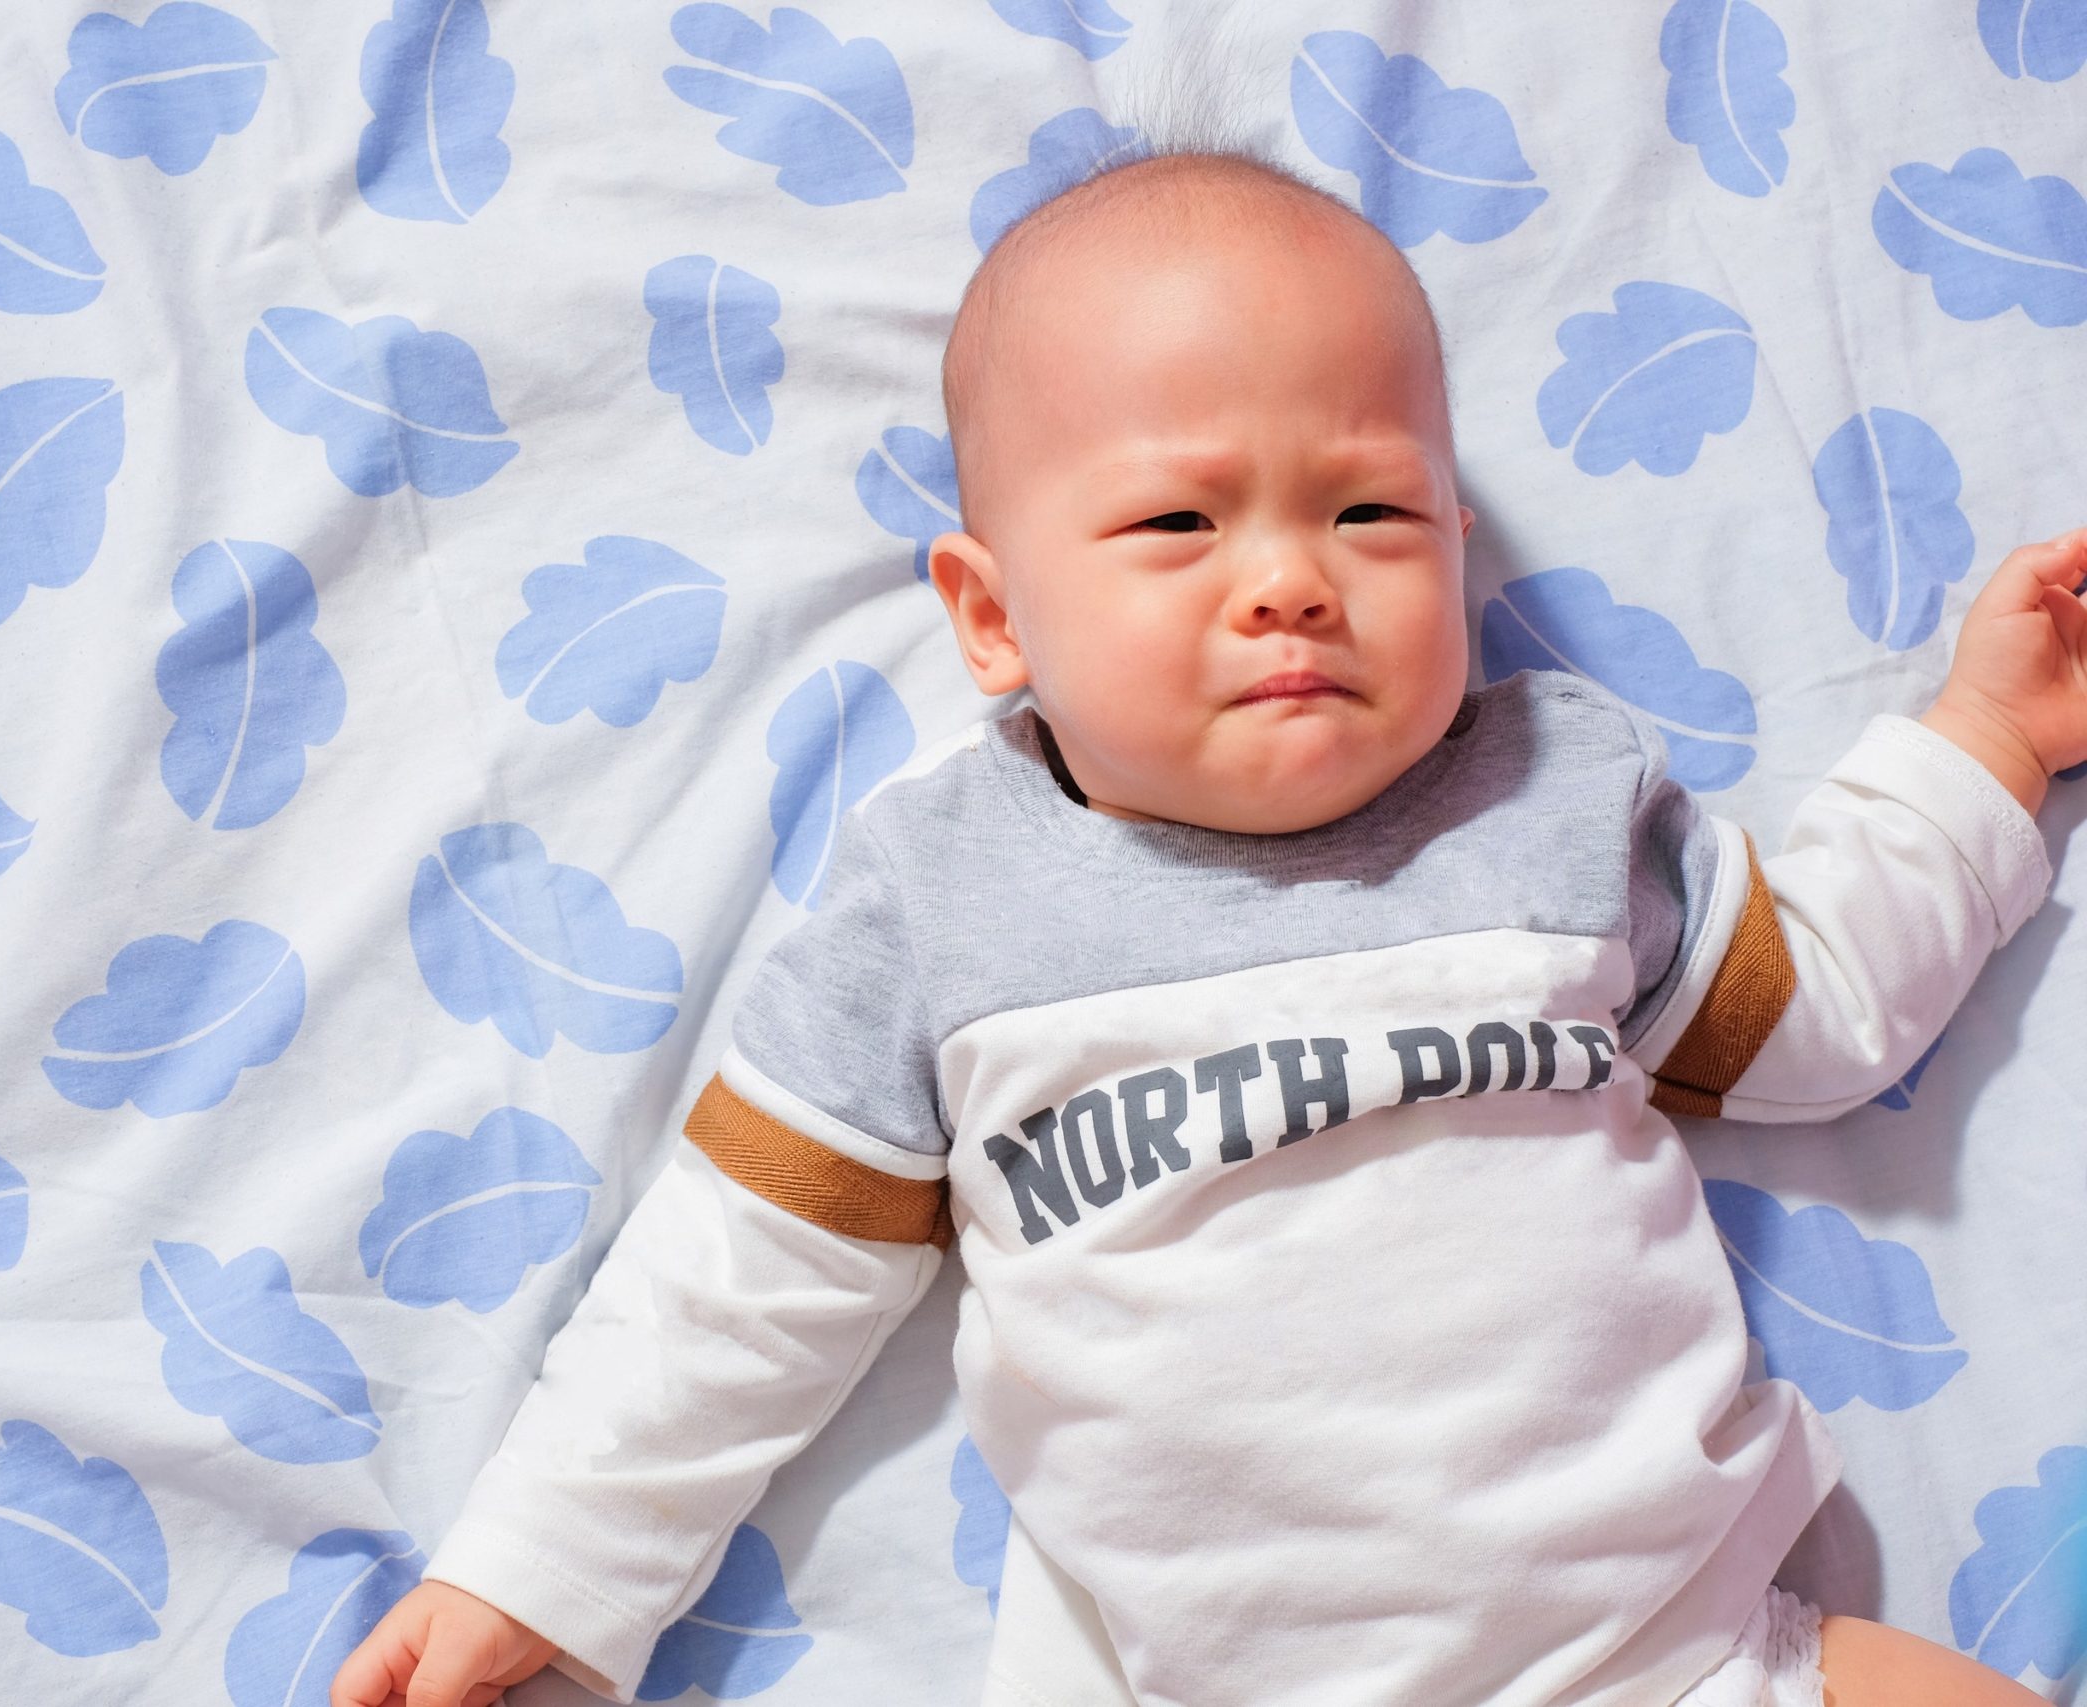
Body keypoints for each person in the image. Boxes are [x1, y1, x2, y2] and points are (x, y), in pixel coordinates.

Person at [332, 150, 2084, 1707]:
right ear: (994, 617)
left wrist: (1988, 740)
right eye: (1179, 520)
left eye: (1369, 511)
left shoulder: (1548, 798)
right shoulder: (939, 899)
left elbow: (1815, 1012)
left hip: (1671, 1650)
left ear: (1458, 544)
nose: (1291, 578)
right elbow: (741, 1273)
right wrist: (539, 1570)